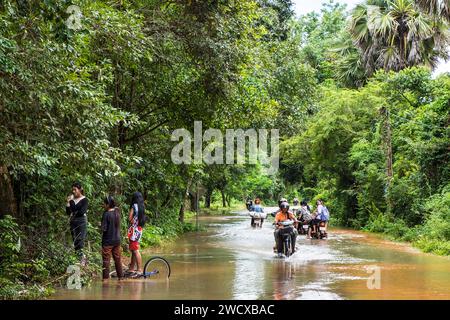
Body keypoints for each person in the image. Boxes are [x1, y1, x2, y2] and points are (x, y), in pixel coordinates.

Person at [101, 195, 123, 280]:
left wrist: (100, 225)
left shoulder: (106, 214)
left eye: (104, 204)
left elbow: (104, 229)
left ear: (108, 204)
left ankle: (105, 280)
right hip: (117, 240)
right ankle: (121, 278)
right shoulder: (117, 212)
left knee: (106, 260)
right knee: (117, 259)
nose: (103, 205)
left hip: (107, 241)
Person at [66, 182, 88, 265]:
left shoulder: (84, 200)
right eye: (73, 190)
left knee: (80, 240)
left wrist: (71, 202)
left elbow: (81, 212)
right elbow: (68, 212)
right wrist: (68, 203)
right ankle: (78, 259)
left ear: (80, 189)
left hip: (81, 221)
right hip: (73, 221)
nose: (73, 191)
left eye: (75, 189)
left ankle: (82, 259)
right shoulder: (72, 200)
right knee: (75, 240)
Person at [127, 192, 146, 276]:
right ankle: (131, 268)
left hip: (134, 231)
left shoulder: (134, 206)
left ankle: (139, 269)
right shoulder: (142, 206)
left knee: (135, 250)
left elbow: (130, 218)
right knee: (133, 249)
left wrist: (131, 220)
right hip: (139, 229)